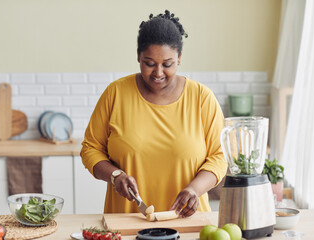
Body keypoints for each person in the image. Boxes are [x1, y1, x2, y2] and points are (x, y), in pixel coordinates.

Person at [80, 10, 227, 218]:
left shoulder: (202, 98)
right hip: (126, 223)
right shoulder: (116, 93)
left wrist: (195, 189)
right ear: (138, 55)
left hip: (188, 223)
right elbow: (90, 149)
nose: (158, 73)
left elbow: (219, 157)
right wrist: (115, 175)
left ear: (179, 58)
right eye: (149, 63)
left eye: (167, 64)